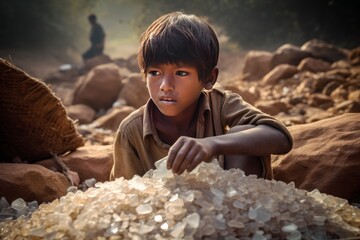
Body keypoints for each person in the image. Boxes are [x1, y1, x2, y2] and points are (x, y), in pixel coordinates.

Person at [110, 12, 292, 181]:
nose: (165, 86)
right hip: (168, 213)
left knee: (243, 133)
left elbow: (280, 138)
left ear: (209, 78)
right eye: (155, 72)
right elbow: (124, 196)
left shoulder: (219, 102)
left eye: (181, 73)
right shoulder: (131, 131)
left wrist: (211, 145)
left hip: (229, 207)